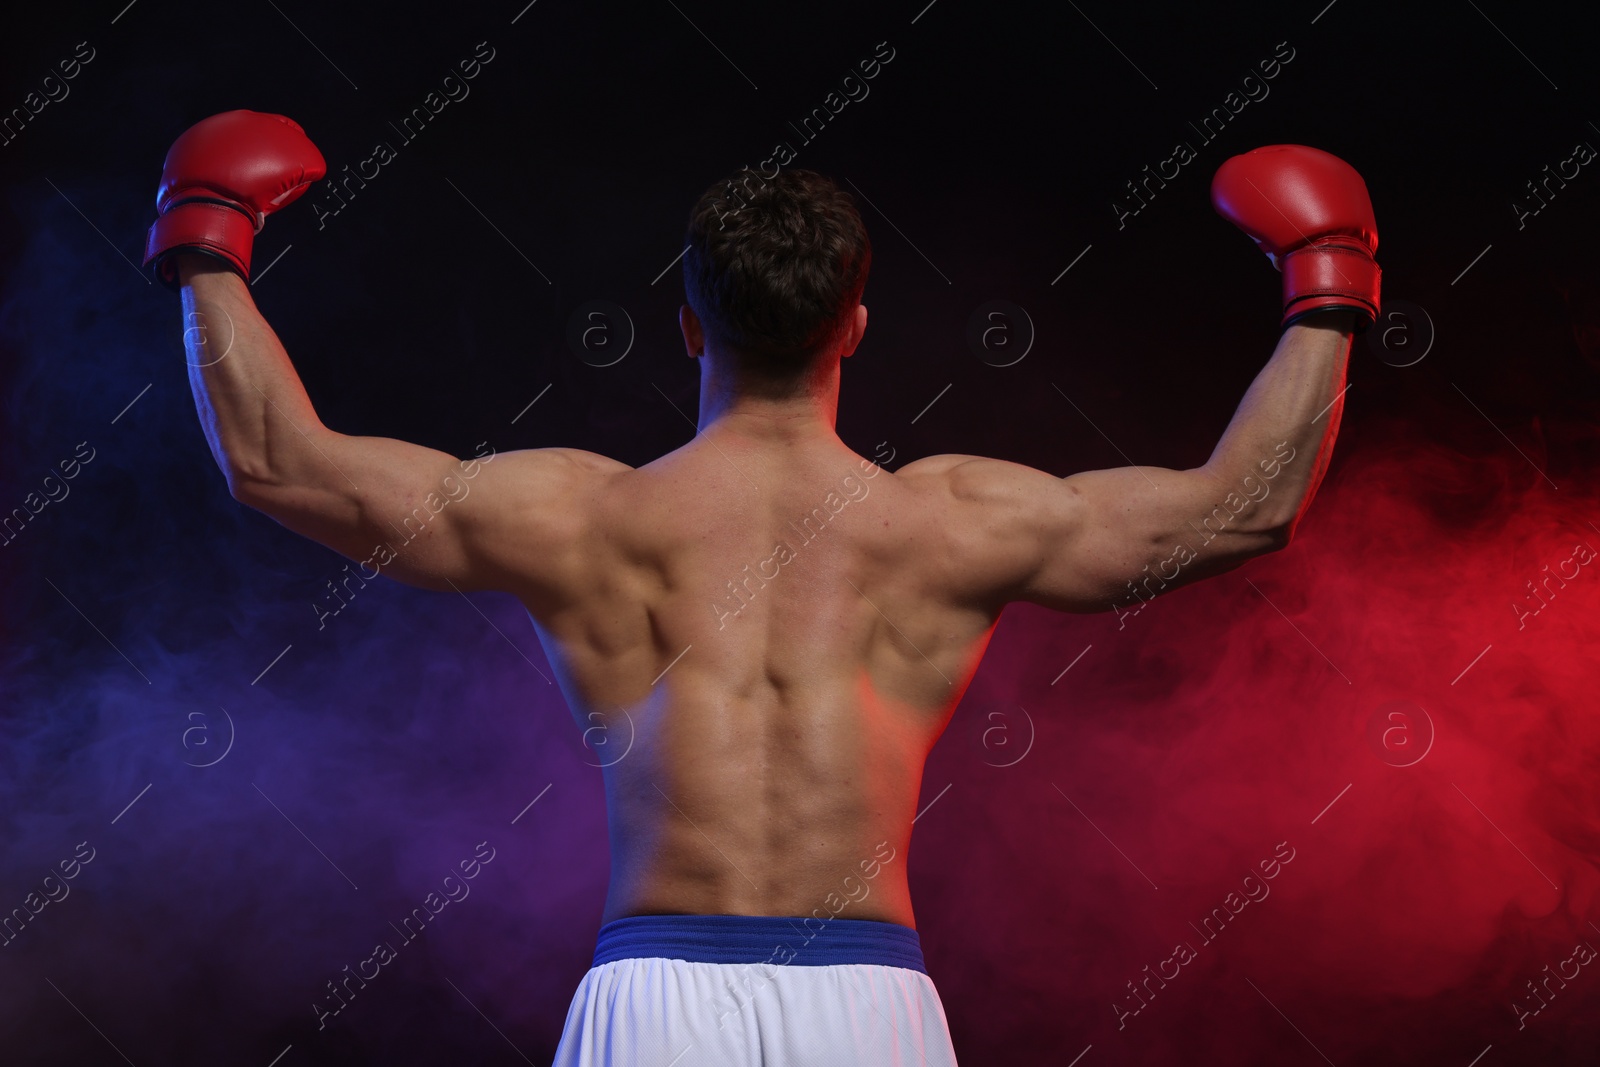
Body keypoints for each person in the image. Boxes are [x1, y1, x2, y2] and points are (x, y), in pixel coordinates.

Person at [144, 111, 1378, 1065]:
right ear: (853, 326)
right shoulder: (951, 522)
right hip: (868, 1001)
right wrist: (1325, 287)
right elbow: (1244, 506)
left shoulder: (580, 515)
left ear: (686, 328)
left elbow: (277, 462)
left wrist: (207, 245)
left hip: (653, 1001)